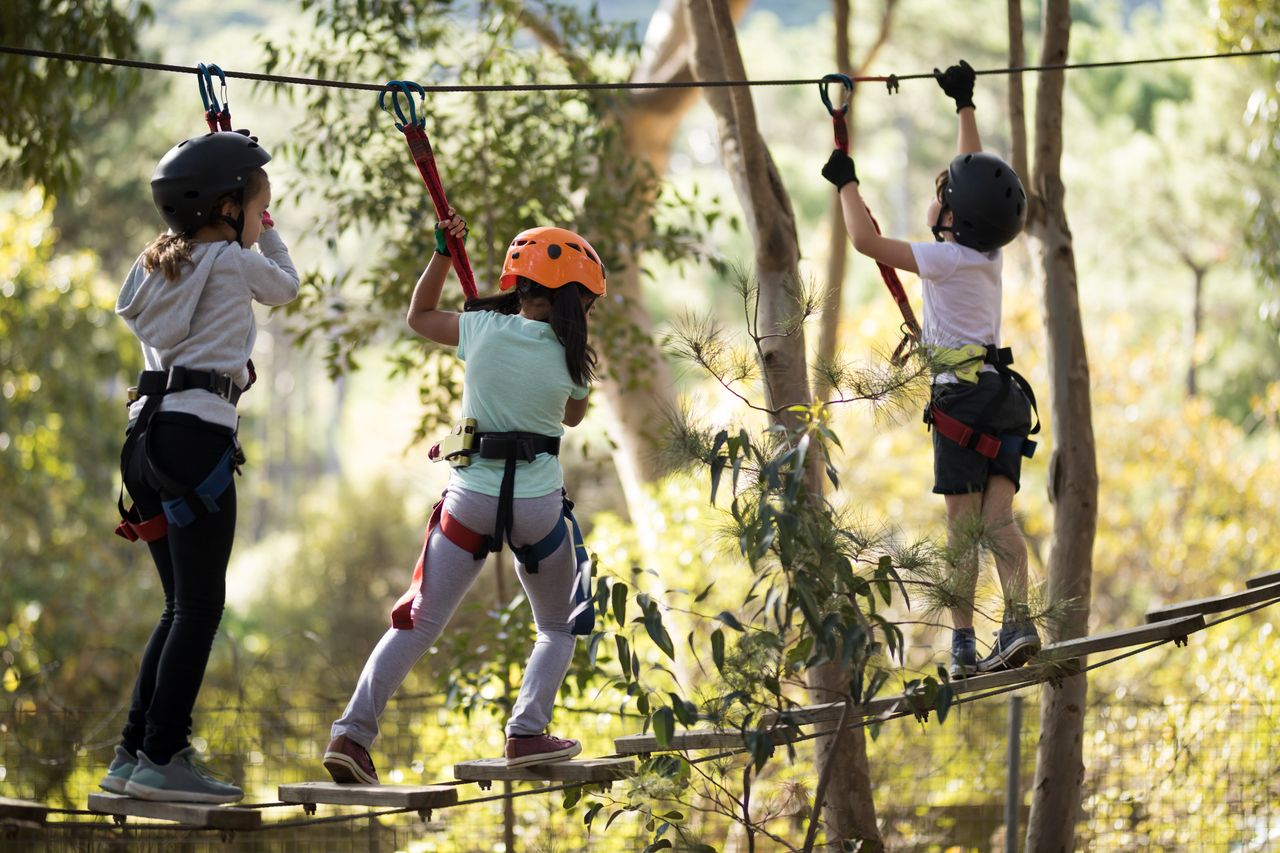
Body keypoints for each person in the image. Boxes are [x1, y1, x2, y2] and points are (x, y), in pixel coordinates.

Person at [323, 215, 603, 784]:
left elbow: (419, 316)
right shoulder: (574, 357)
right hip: (537, 508)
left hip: (468, 499)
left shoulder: (479, 329)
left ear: (517, 287)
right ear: (576, 300)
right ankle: (527, 733)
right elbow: (571, 417)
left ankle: (352, 736)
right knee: (555, 627)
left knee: (418, 623)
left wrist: (444, 259)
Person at [820, 60, 1040, 678]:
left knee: (961, 529)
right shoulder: (988, 251)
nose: (937, 199)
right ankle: (1018, 622)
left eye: (943, 198)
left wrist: (846, 183)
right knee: (1000, 522)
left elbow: (865, 244)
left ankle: (965, 643)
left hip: (963, 403)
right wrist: (964, 106)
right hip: (1002, 398)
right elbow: (975, 183)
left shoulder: (944, 260)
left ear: (953, 219)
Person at [101, 130, 299, 802]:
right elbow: (288, 287)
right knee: (201, 606)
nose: (260, 215)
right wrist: (267, 229)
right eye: (255, 204)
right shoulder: (236, 260)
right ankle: (161, 753)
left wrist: (248, 206)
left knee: (179, 605)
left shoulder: (160, 262)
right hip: (194, 438)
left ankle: (134, 753)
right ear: (228, 206)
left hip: (145, 439)